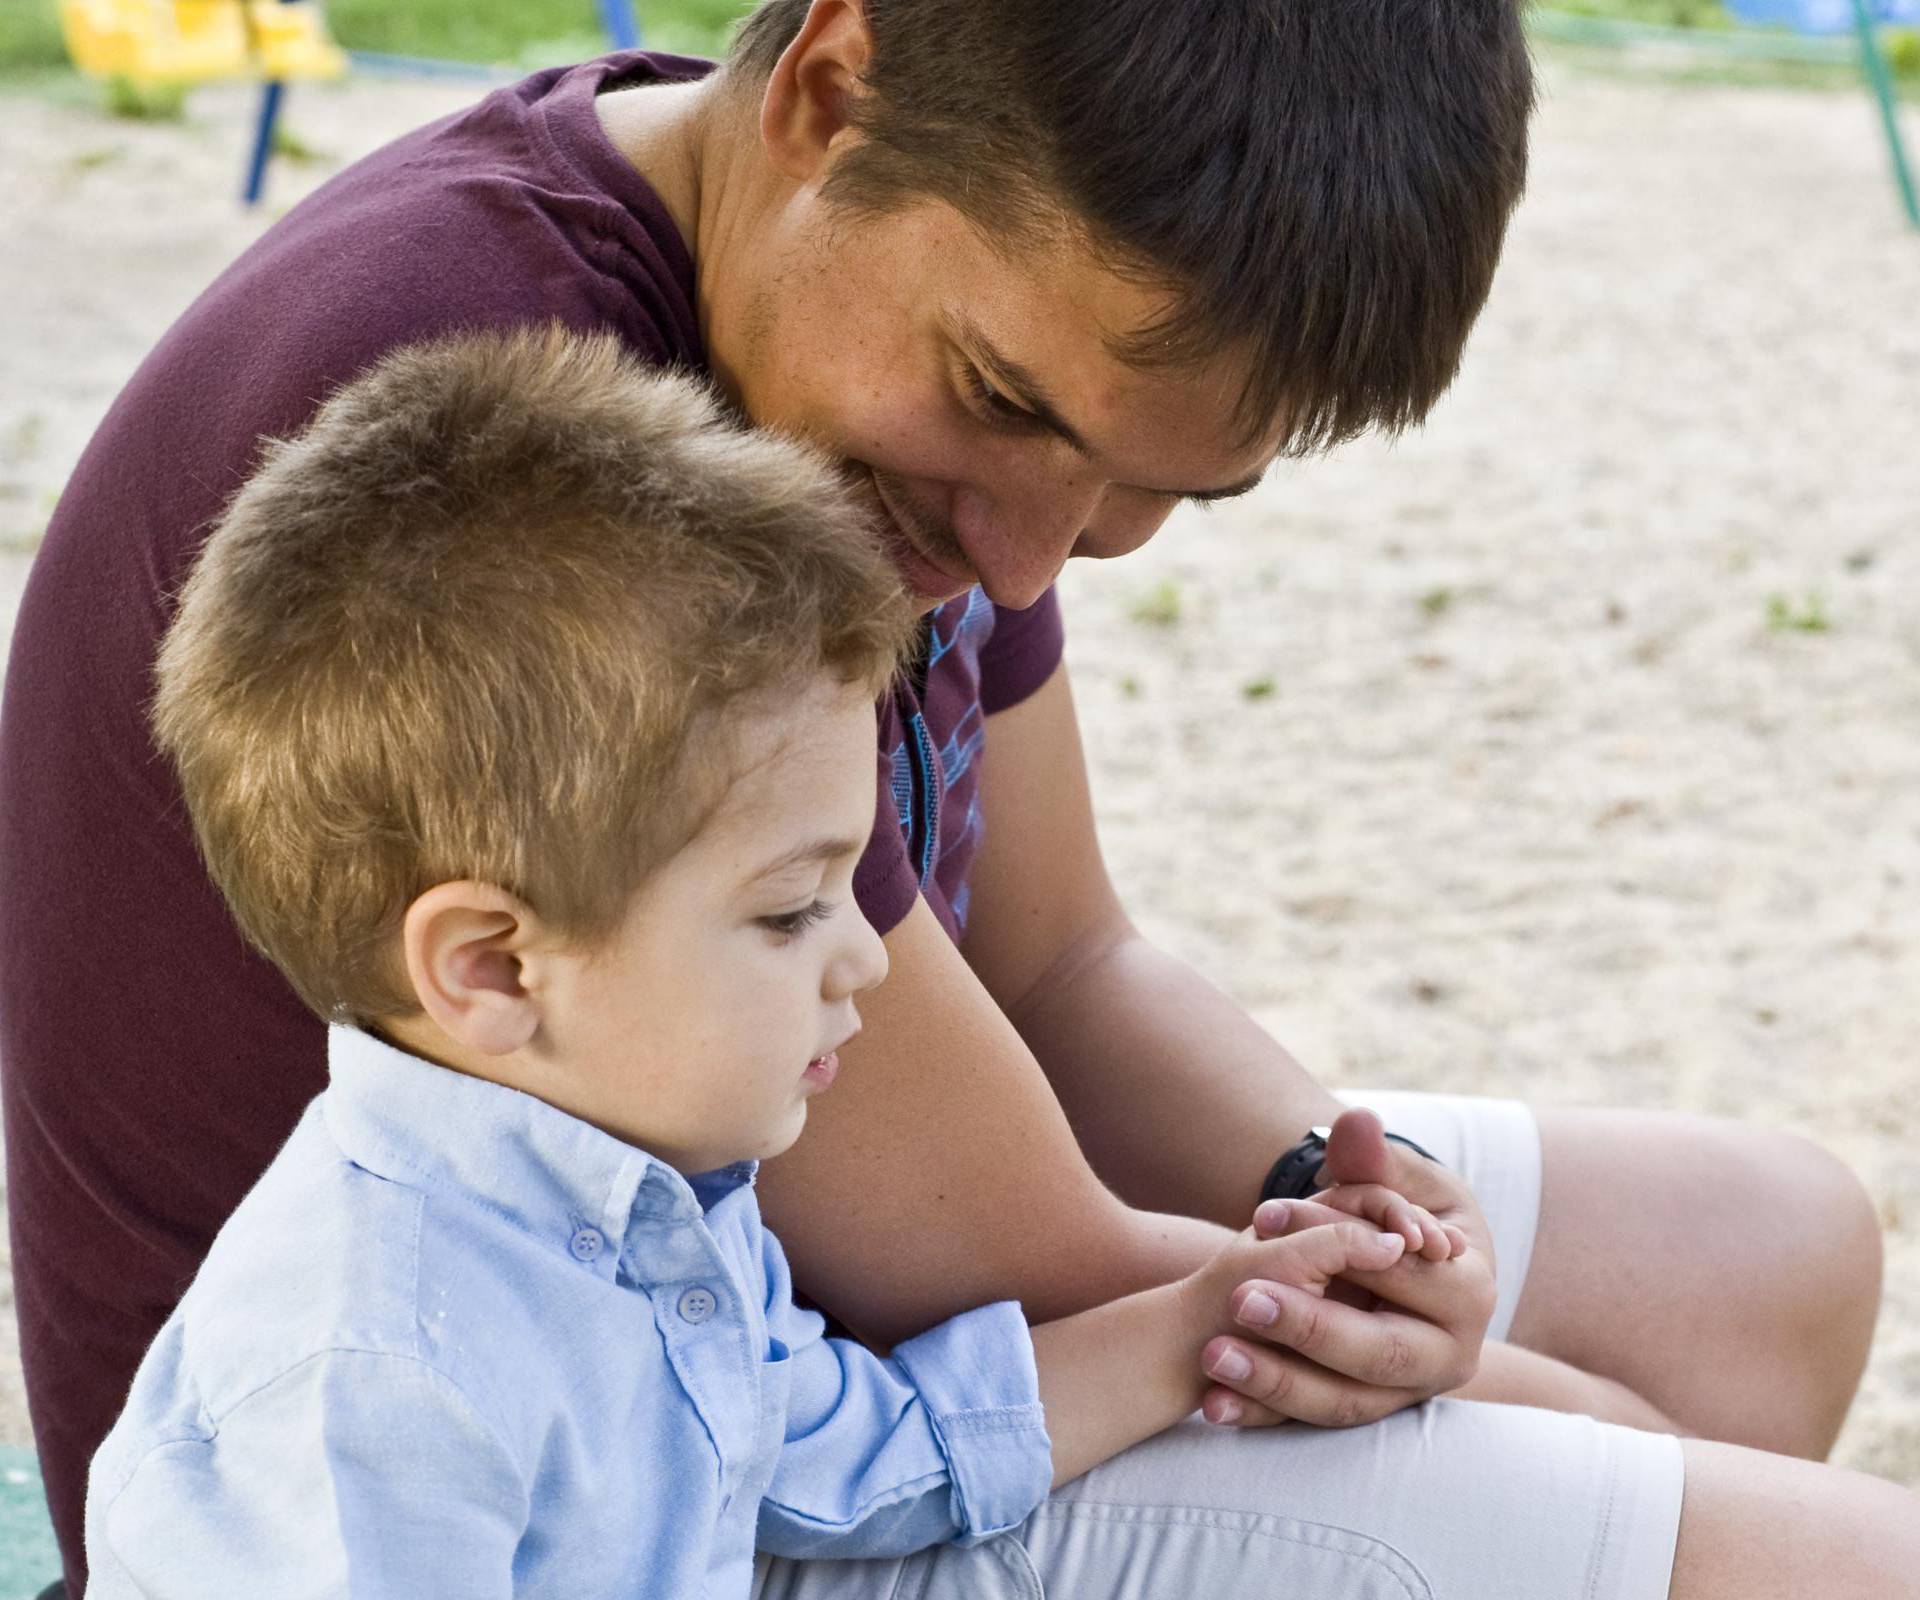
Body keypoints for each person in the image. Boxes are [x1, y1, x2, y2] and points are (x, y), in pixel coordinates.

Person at [0, 1, 1900, 1594]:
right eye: (1009, 407)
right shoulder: (537, 450)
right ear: (834, 86)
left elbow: (1065, 959)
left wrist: (1336, 1206)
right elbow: (1013, 1256)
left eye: (1162, 497)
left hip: (774, 1337)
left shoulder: (868, 312)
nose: (1017, 572)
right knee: (1807, 1559)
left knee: (1770, 1255)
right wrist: (1552, 1408)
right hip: (576, 1496)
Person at [88, 325, 1462, 1595]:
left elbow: (853, 1452)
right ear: (496, 971)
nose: (865, 957)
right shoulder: (377, 1372)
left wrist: (1204, 1321)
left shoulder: (646, 1199)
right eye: (788, 910)